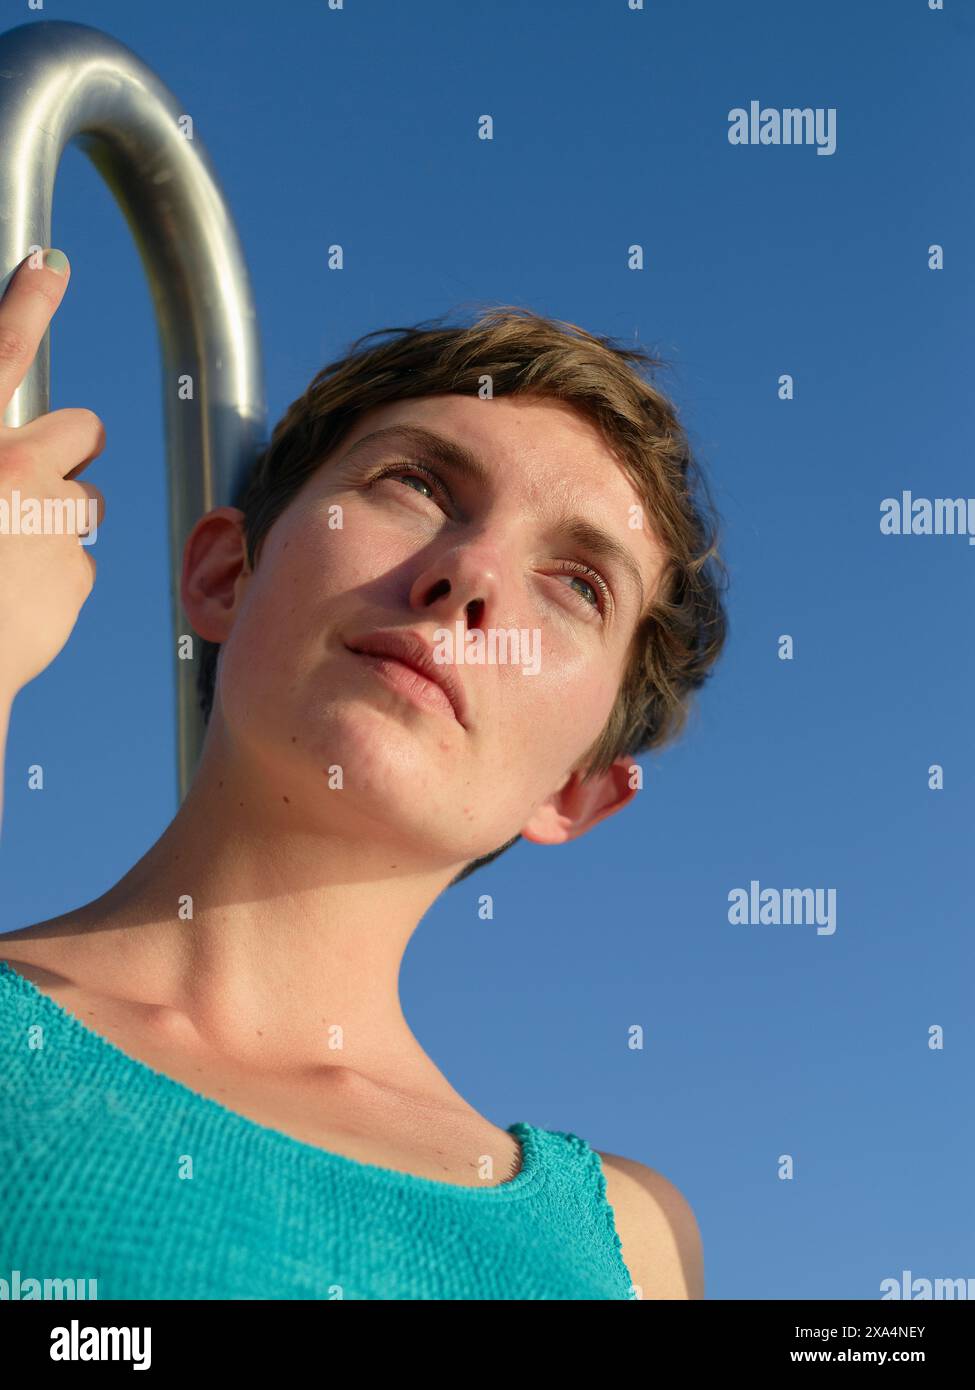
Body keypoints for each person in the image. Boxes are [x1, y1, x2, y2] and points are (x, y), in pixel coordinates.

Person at [0, 247, 727, 1300]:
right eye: (418, 483)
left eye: (576, 583)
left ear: (574, 790)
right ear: (220, 573)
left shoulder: (633, 1246)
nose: (471, 574)